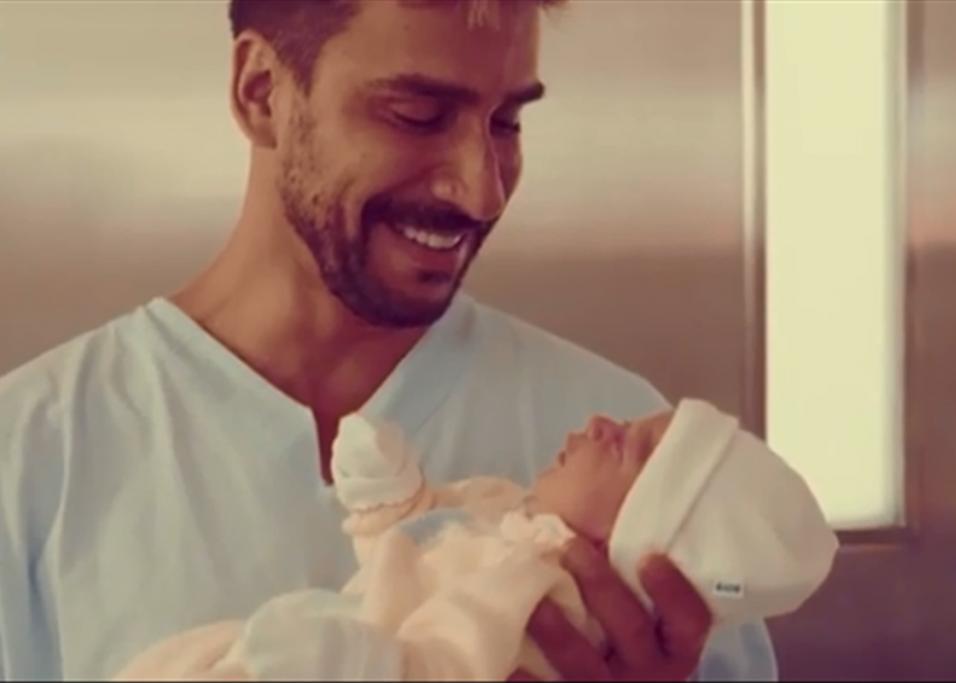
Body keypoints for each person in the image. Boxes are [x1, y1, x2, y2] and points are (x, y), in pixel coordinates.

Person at [0, 0, 778, 680]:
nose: (482, 189)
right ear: (261, 91)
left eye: (506, 122)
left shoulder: (642, 463)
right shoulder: (29, 460)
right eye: (417, 115)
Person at [113, 402, 836, 681]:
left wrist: (365, 667)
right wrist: (390, 497)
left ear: (642, 534)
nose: (597, 421)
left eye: (627, 446)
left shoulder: (544, 593)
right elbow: (420, 538)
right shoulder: (504, 510)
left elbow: (454, 662)